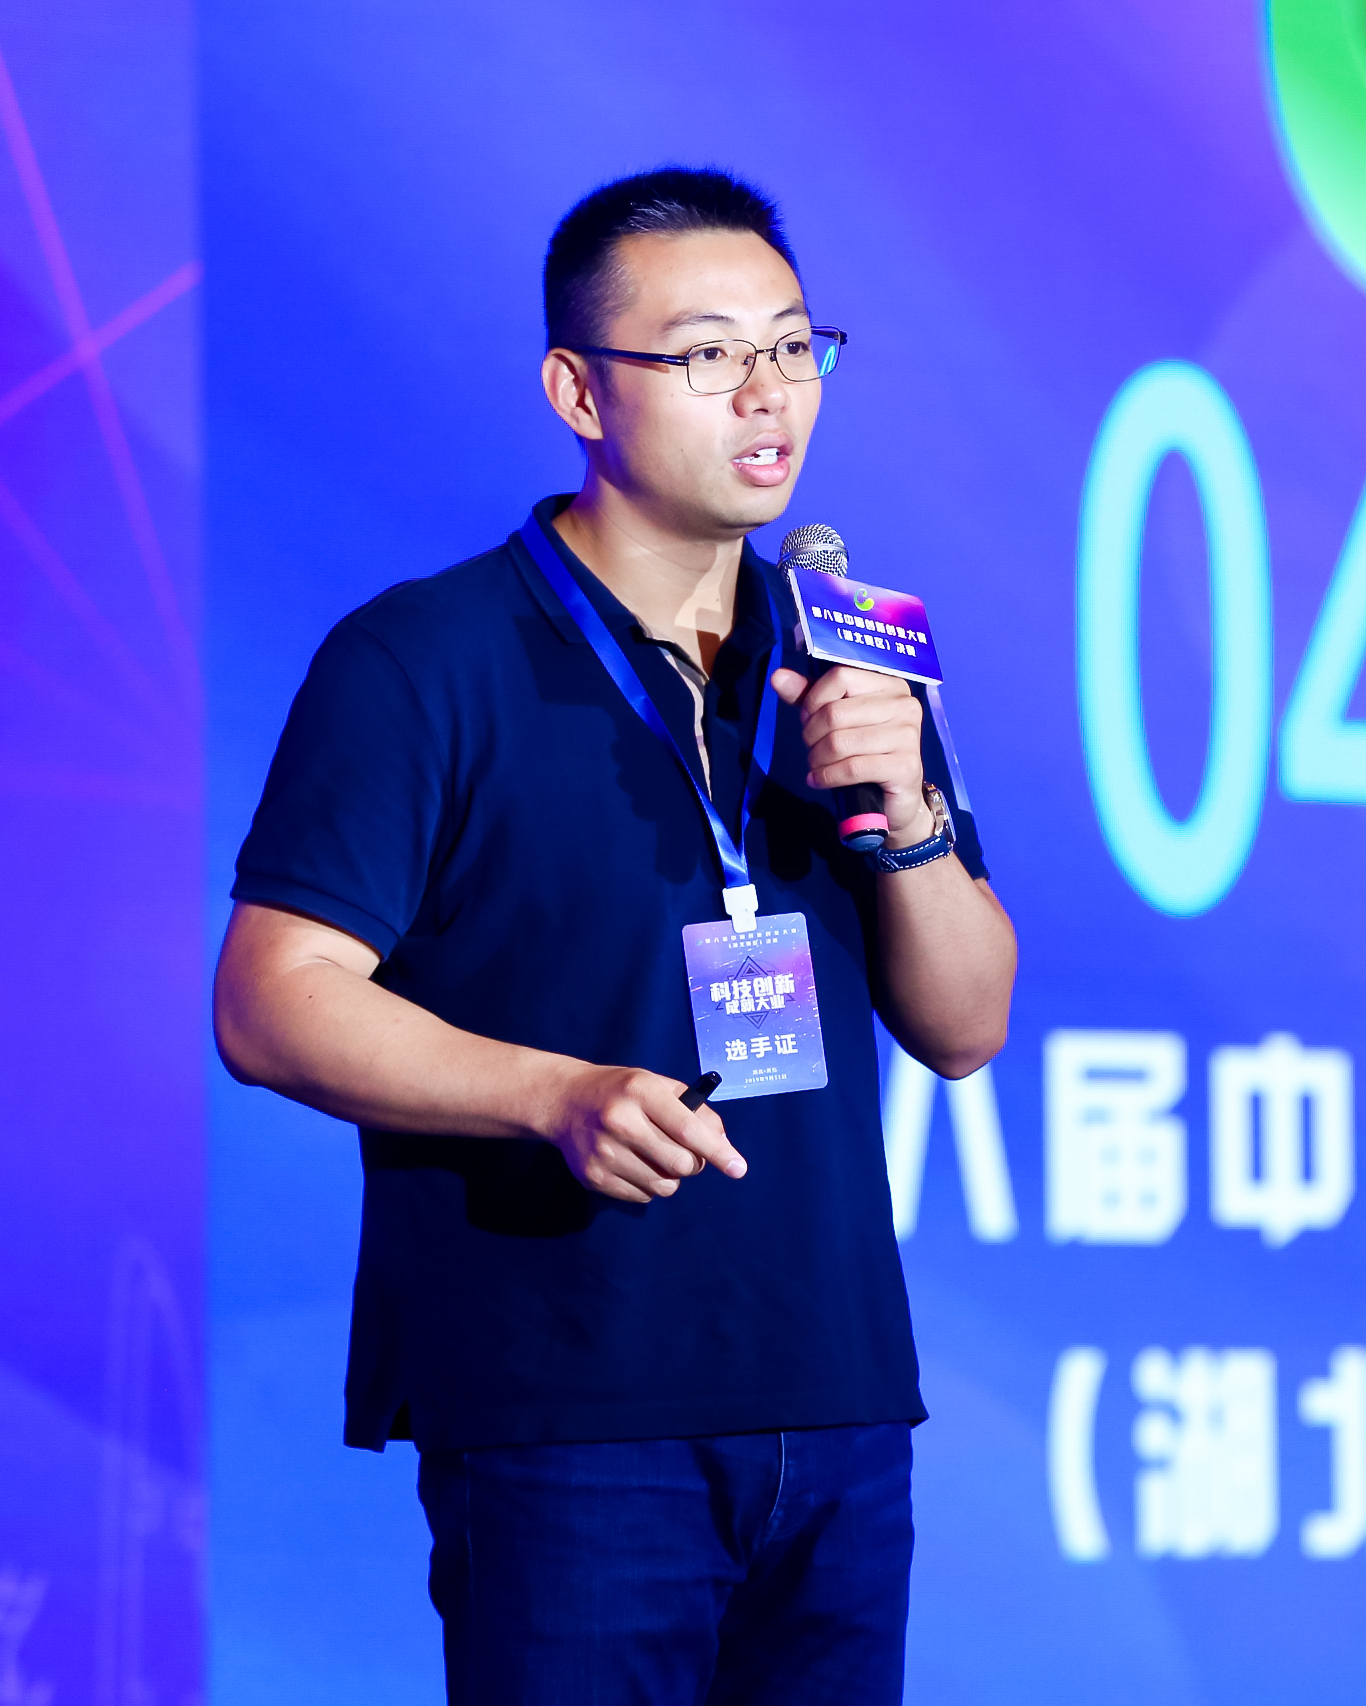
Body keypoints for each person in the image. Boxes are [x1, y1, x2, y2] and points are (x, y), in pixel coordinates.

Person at [212, 166, 1015, 1704]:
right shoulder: (425, 658)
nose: (768, 392)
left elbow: (968, 1024)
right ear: (578, 390)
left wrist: (908, 812)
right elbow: (272, 998)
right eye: (709, 354)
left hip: (839, 1400)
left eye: (793, 346)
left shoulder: (848, 654)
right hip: (572, 1409)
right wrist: (554, 1094)